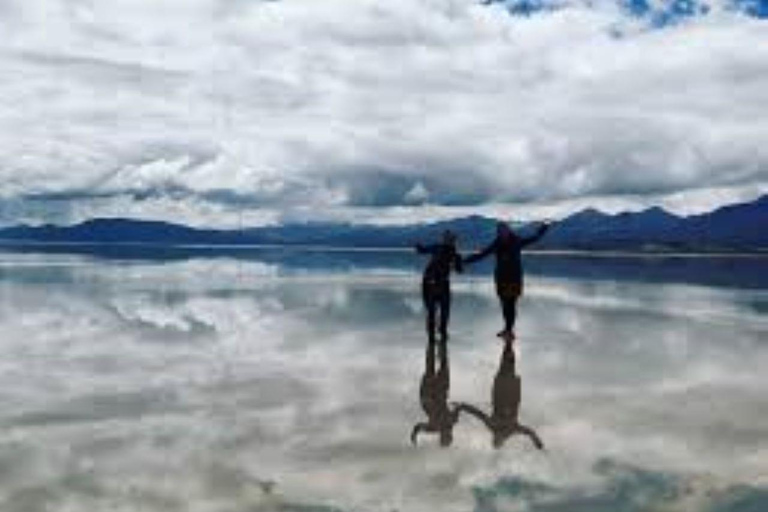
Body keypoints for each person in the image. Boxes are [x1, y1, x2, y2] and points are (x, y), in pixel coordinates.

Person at [464, 221, 551, 340]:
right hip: (501, 278)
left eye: (503, 230)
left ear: (508, 230)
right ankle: (507, 329)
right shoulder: (497, 244)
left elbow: (534, 238)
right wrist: (465, 261)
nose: (501, 233)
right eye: (499, 231)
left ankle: (509, 330)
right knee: (505, 305)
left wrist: (543, 228)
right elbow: (482, 254)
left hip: (514, 278)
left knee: (511, 304)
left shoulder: (517, 241)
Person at [455, 338, 544, 450]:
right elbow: (530, 432)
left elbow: (477, 414)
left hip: (501, 392)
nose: (497, 437)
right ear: (502, 441)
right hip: (511, 394)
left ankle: (508, 343)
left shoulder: (493, 426)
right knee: (509, 367)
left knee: (504, 367)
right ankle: (509, 343)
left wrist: (462, 406)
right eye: (498, 440)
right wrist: (538, 445)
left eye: (495, 439)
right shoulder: (511, 430)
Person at [411, 336, 460, 447]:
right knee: (444, 366)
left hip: (427, 396)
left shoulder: (433, 428)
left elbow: (417, 427)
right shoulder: (452, 421)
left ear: (441, 436)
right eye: (448, 435)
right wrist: (457, 406)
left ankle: (432, 343)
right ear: (451, 434)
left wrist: (414, 437)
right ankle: (441, 345)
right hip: (440, 393)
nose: (446, 432)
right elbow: (459, 407)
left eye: (444, 436)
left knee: (430, 366)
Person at [415, 230, 463, 342]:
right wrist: (459, 262)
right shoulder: (453, 253)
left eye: (448, 239)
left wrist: (419, 247)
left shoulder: (439, 248)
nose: (449, 241)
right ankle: (441, 332)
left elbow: (422, 250)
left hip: (429, 282)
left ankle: (434, 335)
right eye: (450, 239)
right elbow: (459, 270)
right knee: (443, 310)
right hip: (436, 283)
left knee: (433, 311)